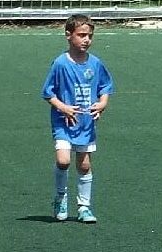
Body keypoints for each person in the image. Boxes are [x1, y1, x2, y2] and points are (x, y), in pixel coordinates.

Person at [42, 14, 114, 223]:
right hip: (64, 122)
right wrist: (63, 107)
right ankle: (61, 197)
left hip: (85, 123)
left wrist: (102, 104)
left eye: (89, 36)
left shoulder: (96, 63)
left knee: (83, 166)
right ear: (68, 35)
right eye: (81, 35)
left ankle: (84, 206)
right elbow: (48, 93)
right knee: (63, 160)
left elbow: (105, 87)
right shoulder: (60, 63)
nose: (86, 40)